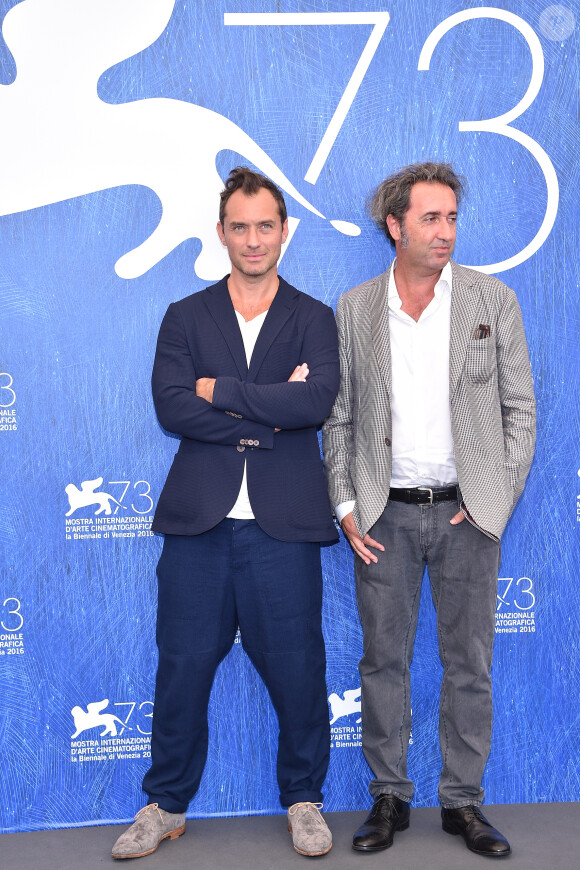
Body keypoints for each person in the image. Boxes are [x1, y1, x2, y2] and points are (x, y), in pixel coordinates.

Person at [112, 167, 340, 859]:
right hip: (198, 527)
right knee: (180, 667)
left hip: (285, 527)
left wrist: (223, 392)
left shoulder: (314, 317)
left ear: (283, 231)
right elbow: (172, 406)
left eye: (264, 225)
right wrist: (261, 415)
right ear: (221, 232)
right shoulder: (186, 315)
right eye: (238, 226)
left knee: (299, 668)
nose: (251, 239)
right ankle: (166, 805)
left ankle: (304, 800)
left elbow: (315, 404)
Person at [323, 162, 535, 858]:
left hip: (466, 517)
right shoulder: (355, 308)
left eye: (451, 218)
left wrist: (488, 503)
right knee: (383, 662)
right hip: (383, 518)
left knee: (468, 664)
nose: (445, 232)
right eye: (430, 219)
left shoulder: (492, 299)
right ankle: (388, 797)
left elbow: (520, 413)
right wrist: (348, 504)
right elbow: (341, 419)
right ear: (395, 226)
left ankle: (463, 804)